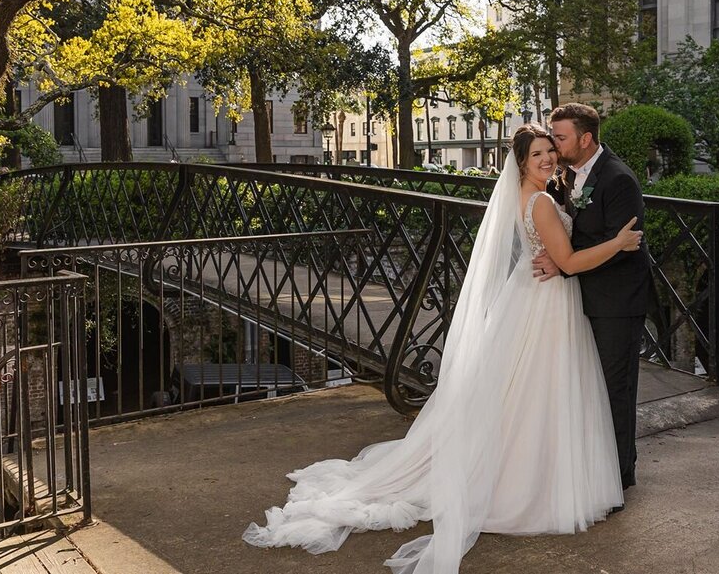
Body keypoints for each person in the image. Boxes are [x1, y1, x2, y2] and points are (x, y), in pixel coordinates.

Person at [243, 124, 643, 573]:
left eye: (551, 150)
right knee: (540, 390)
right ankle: (530, 482)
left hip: (533, 295)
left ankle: (524, 469)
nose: (548, 159)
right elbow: (568, 260)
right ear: (522, 162)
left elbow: (555, 251)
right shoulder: (544, 202)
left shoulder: (527, 196)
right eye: (538, 154)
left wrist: (557, 251)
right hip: (548, 304)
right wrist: (618, 242)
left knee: (521, 392)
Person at [533, 102, 653, 497]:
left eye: (561, 138)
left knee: (614, 389)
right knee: (588, 388)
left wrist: (563, 262)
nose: (554, 144)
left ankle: (618, 478)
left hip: (617, 302)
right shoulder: (567, 174)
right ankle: (592, 469)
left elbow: (621, 246)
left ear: (585, 139)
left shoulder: (619, 180)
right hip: (583, 297)